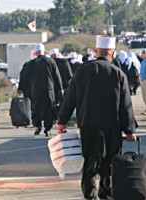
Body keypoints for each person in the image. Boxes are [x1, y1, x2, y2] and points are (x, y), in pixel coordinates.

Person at [57, 35, 137, 200]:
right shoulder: (118, 73)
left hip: (88, 124)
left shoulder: (82, 71)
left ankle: (90, 194)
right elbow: (126, 105)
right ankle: (106, 193)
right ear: (112, 53)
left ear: (97, 52)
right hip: (112, 126)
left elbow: (69, 98)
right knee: (110, 162)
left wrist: (62, 121)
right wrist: (130, 130)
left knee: (90, 161)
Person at [25, 44, 63, 137]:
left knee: (36, 108)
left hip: (36, 90)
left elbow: (25, 77)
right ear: (44, 51)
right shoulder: (51, 61)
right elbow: (57, 76)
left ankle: (38, 126)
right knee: (49, 109)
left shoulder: (32, 63)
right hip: (49, 90)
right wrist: (61, 88)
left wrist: (23, 88)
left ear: (36, 52)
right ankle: (47, 129)